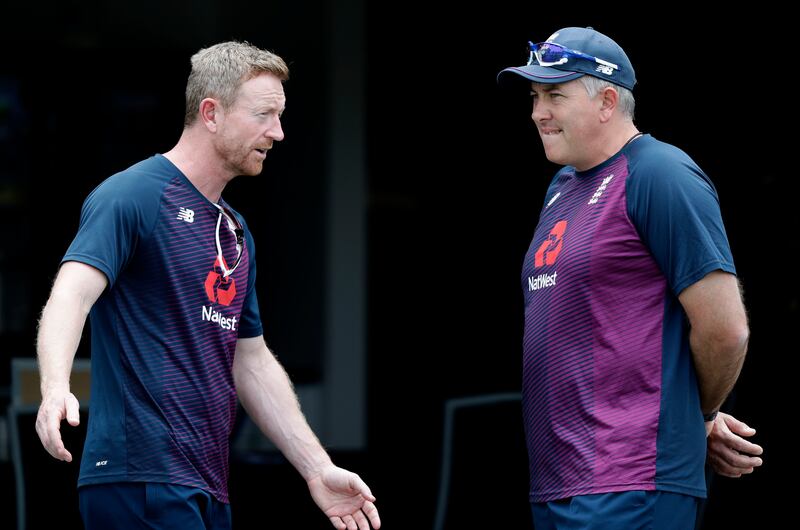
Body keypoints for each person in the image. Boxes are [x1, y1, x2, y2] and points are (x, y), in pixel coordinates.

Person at [35, 41, 380, 530]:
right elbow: (71, 293)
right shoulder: (133, 195)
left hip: (206, 483)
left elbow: (252, 360)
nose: (278, 133)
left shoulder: (235, 231)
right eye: (264, 115)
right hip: (141, 479)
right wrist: (54, 387)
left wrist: (317, 468)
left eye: (280, 116)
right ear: (211, 113)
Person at [498, 27, 762, 529]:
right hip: (558, 481)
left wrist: (696, 416)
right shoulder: (561, 187)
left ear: (608, 101)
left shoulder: (661, 173)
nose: (538, 112)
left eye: (555, 95)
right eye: (535, 96)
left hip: (631, 480)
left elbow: (726, 330)